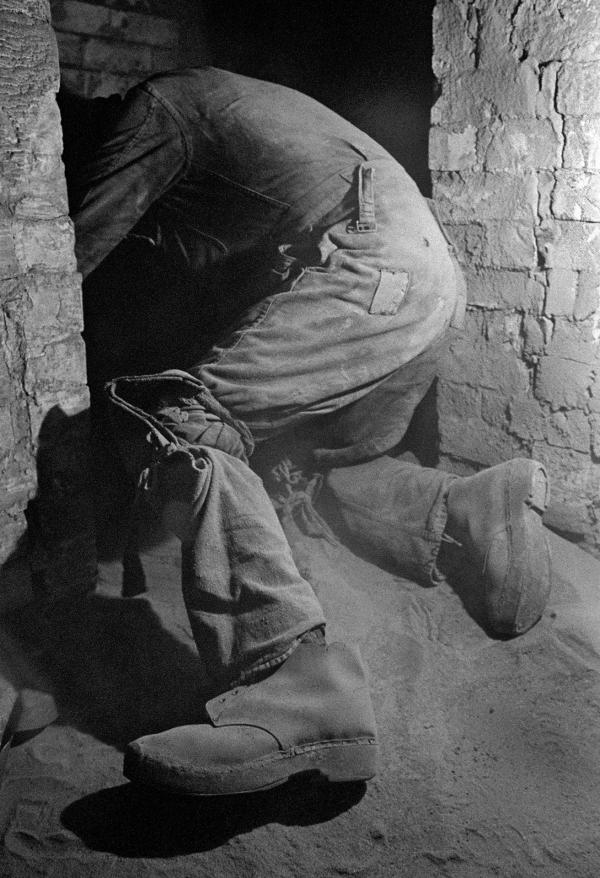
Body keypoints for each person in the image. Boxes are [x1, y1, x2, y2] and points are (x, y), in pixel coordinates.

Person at [67, 66, 552, 796]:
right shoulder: (226, 101)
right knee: (315, 463)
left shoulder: (153, 110)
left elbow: (64, 258)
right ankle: (463, 508)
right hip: (426, 280)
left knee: (176, 416)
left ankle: (292, 682)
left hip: (364, 273)